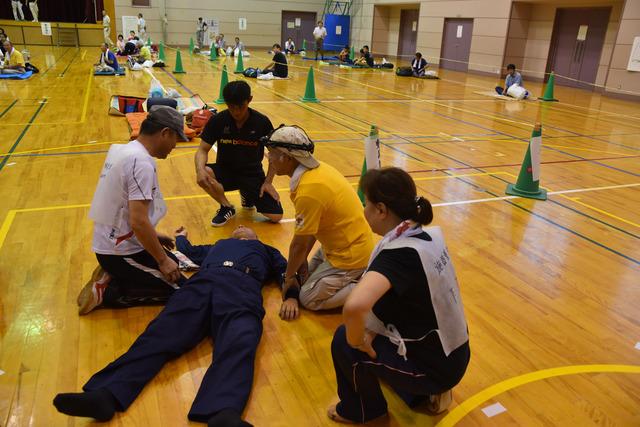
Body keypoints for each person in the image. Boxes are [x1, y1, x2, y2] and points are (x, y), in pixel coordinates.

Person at [53, 224, 288, 426]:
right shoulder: (218, 244)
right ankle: (106, 395)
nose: (238, 228)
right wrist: (182, 236)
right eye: (236, 228)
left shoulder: (266, 250)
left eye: (242, 227)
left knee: (240, 340)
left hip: (241, 287)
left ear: (255, 235)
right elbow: (190, 252)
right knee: (159, 335)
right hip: (203, 283)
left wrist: (293, 296)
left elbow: (285, 270)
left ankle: (223, 411)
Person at [327, 167, 471, 423]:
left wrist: (358, 341)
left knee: (344, 342)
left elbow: (354, 307)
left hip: (435, 367)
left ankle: (365, 412)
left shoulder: (398, 256)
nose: (364, 209)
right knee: (373, 335)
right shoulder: (427, 235)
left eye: (366, 204)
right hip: (452, 350)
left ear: (381, 210)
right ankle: (422, 396)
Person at [76, 106, 189, 315]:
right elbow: (137, 221)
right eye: (176, 139)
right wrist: (162, 260)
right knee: (183, 290)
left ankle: (116, 274)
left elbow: (121, 210)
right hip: (118, 252)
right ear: (165, 133)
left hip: (113, 242)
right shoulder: (141, 163)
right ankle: (108, 291)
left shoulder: (125, 150)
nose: (175, 146)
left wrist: (153, 236)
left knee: (175, 266)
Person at [262, 126, 375, 320]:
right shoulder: (315, 172)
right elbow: (313, 229)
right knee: (303, 277)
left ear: (287, 158)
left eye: (272, 154)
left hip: (351, 255)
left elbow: (298, 244)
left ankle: (371, 289)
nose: (268, 158)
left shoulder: (309, 190)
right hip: (339, 245)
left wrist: (288, 278)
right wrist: (299, 265)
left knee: (308, 298)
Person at [196, 80, 282, 226]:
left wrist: (268, 182)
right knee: (204, 173)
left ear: (249, 100)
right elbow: (202, 150)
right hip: (225, 171)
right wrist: (199, 170)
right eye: (231, 107)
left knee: (276, 216)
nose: (236, 112)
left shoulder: (261, 122)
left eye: (240, 107)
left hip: (252, 174)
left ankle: (247, 193)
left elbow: (275, 154)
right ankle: (226, 207)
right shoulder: (218, 120)